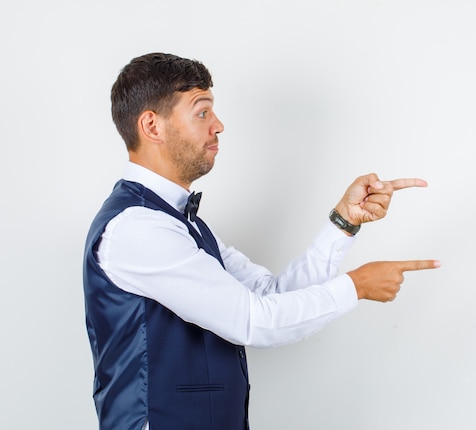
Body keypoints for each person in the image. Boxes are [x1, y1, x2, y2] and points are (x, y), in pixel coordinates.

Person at [83, 52, 440, 430]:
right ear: (152, 126)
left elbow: (271, 294)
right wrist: (357, 286)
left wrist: (344, 222)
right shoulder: (137, 228)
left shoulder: (182, 225)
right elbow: (254, 321)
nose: (218, 125)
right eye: (202, 112)